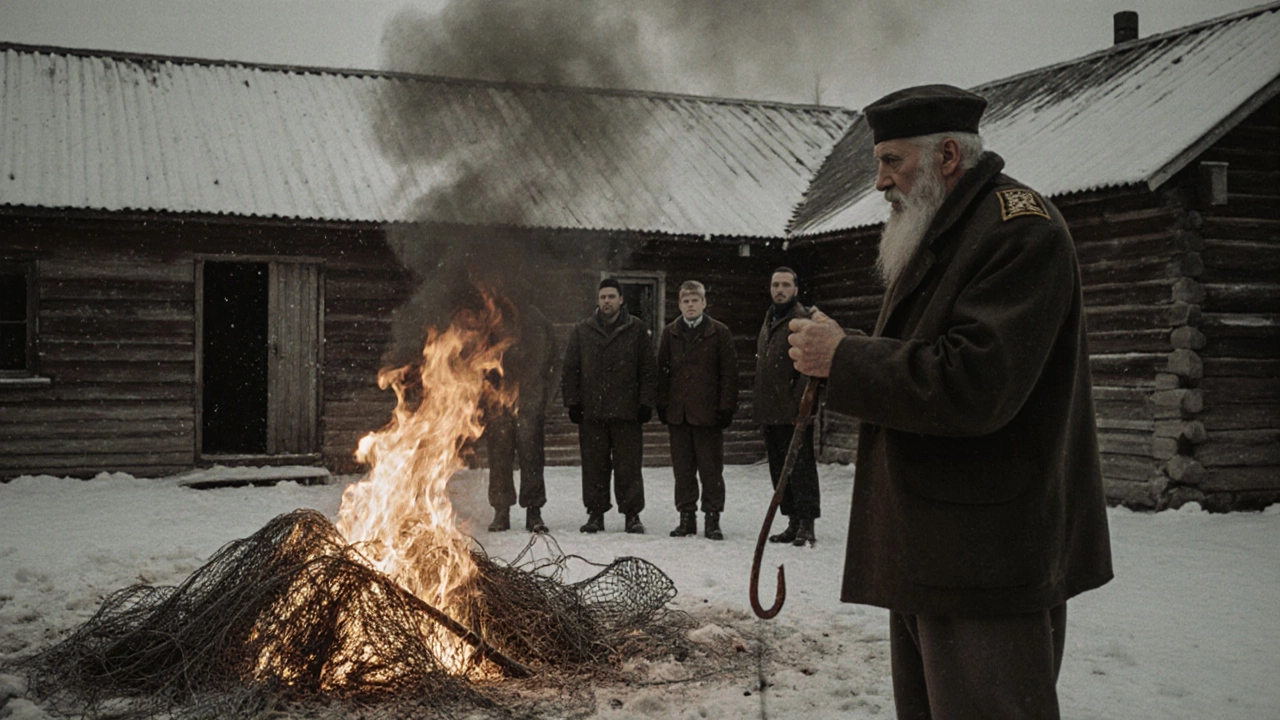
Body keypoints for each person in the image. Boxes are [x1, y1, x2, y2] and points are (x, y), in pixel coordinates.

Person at [786, 84, 1113, 720]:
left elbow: (975, 383)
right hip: (934, 545)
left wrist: (845, 356)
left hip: (988, 554)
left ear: (946, 158)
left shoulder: (1020, 232)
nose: (879, 182)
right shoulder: (943, 227)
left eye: (891, 161)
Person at [561, 277, 657, 534]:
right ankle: (595, 513)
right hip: (593, 412)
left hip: (627, 412)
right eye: (603, 297)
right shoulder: (583, 330)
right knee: (594, 465)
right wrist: (573, 403)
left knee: (628, 465)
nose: (607, 301)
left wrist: (645, 403)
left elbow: (648, 369)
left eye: (611, 297)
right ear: (597, 300)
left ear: (621, 299)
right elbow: (570, 369)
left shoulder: (636, 329)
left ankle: (632, 515)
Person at [656, 280, 739, 540]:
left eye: (695, 300)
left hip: (708, 415)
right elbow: (662, 371)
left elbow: (729, 374)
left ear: (704, 303)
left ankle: (712, 519)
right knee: (683, 469)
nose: (690, 305)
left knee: (711, 469)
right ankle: (686, 517)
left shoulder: (719, 332)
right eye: (685, 301)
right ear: (679, 304)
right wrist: (662, 404)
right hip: (678, 414)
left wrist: (725, 408)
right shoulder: (670, 333)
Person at [753, 267, 821, 547]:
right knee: (780, 468)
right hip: (770, 409)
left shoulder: (802, 319)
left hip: (794, 411)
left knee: (801, 466)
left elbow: (808, 367)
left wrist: (800, 406)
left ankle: (807, 523)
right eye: (775, 285)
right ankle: (792, 520)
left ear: (796, 289)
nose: (779, 289)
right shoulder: (770, 318)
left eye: (785, 285)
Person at [484, 301, 557, 534]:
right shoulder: (492, 319)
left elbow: (554, 364)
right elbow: (478, 365)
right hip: (498, 406)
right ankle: (501, 511)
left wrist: (545, 401)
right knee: (499, 459)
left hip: (530, 403)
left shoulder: (539, 323)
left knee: (532, 458)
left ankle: (534, 512)